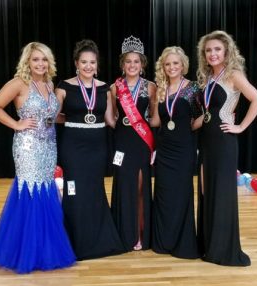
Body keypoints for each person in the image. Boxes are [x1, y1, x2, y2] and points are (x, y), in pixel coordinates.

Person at [0, 42, 76, 273]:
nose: (40, 63)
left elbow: (51, 117)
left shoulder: (47, 83)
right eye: (35, 59)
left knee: (46, 191)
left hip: (48, 145)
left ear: (49, 62)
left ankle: (43, 249)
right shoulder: (19, 83)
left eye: (44, 59)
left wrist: (81, 119)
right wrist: (17, 124)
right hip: (28, 147)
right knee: (31, 192)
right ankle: (27, 253)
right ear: (27, 61)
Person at [196, 30, 257, 266]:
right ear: (204, 55)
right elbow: (208, 112)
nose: (213, 54)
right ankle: (209, 245)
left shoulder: (233, 74)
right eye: (208, 50)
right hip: (206, 140)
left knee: (222, 193)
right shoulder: (208, 77)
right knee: (207, 191)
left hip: (224, 142)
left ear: (226, 51)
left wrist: (240, 127)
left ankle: (223, 250)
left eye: (217, 49)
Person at [55, 39, 125, 260]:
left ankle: (99, 240)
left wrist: (132, 125)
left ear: (97, 64)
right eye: (84, 62)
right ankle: (74, 241)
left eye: (92, 62)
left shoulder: (104, 88)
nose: (88, 66)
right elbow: (53, 116)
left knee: (94, 190)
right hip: (73, 148)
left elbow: (110, 120)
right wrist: (74, 119)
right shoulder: (64, 87)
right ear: (76, 63)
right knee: (74, 191)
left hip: (97, 148)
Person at [150, 46, 202, 259]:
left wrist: (191, 127)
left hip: (183, 149)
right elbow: (155, 120)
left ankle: (182, 242)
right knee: (163, 194)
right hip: (163, 149)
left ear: (183, 65)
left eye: (176, 63)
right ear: (163, 66)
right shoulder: (160, 89)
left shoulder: (192, 88)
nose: (172, 67)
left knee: (181, 194)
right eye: (168, 63)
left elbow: (202, 116)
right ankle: (163, 242)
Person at [110, 36, 156, 251]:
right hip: (122, 141)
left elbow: (155, 118)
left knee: (139, 187)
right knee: (123, 185)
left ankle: (140, 234)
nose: (132, 65)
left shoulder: (152, 87)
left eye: (136, 61)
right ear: (122, 64)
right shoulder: (114, 87)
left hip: (141, 140)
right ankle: (123, 234)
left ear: (142, 64)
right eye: (128, 61)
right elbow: (110, 118)